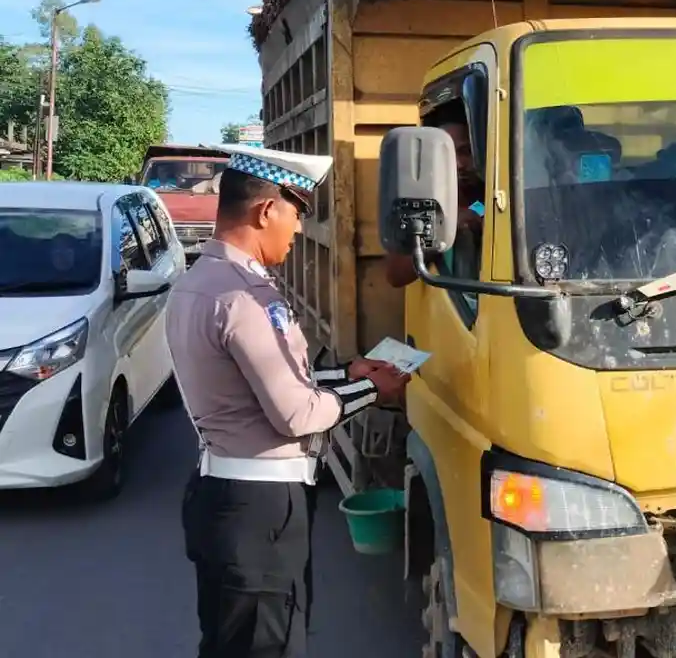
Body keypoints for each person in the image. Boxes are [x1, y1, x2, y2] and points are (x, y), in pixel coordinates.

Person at [164, 144, 410, 658]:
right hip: (260, 512)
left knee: (231, 641)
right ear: (265, 211)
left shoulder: (198, 283)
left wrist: (345, 373)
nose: (298, 230)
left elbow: (255, 384)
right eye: (296, 213)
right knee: (266, 645)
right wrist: (373, 389)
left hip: (225, 496)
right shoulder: (246, 297)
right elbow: (296, 414)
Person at [384, 118, 485, 289]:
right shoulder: (421, 207)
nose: (459, 164)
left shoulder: (489, 198)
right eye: (448, 155)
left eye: (465, 151)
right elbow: (395, 274)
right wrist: (444, 231)